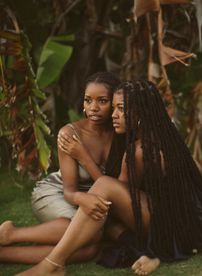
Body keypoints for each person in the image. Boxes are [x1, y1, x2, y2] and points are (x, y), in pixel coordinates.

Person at [5, 80, 202, 276]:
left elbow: (113, 194)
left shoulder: (140, 151)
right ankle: (12, 252)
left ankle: (53, 263)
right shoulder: (161, 136)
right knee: (90, 244)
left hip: (176, 227)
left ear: (140, 113)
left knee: (100, 205)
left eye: (120, 109)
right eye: (114, 108)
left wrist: (84, 162)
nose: (114, 115)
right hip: (183, 219)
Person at [0, 72, 125, 264]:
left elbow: (111, 185)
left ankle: (4, 253)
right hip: (59, 192)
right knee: (90, 236)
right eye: (88, 100)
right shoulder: (70, 133)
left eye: (102, 101)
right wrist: (83, 198)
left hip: (94, 197)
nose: (93, 108)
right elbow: (69, 191)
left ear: (114, 103)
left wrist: (83, 156)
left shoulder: (120, 132)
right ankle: (13, 234)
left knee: (89, 251)